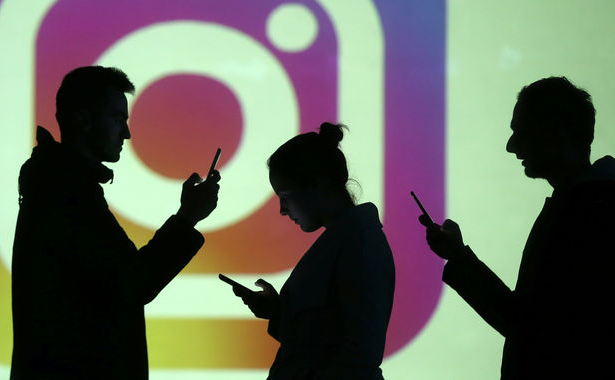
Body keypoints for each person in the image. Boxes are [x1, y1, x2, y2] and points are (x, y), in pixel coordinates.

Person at [10, 66, 221, 379]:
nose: (126, 133)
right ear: (82, 119)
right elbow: (133, 283)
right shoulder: (66, 192)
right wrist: (187, 217)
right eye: (118, 119)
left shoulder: (56, 184)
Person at [422, 76, 615, 379]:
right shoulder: (585, 206)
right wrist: (459, 258)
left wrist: (460, 260)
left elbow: (529, 327)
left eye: (521, 132)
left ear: (555, 132)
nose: (512, 146)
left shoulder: (585, 214)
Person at [231, 122, 395, 379]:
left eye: (285, 195)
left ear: (318, 184)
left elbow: (359, 355)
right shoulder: (346, 242)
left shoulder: (359, 247)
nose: (283, 210)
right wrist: (280, 313)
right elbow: (324, 338)